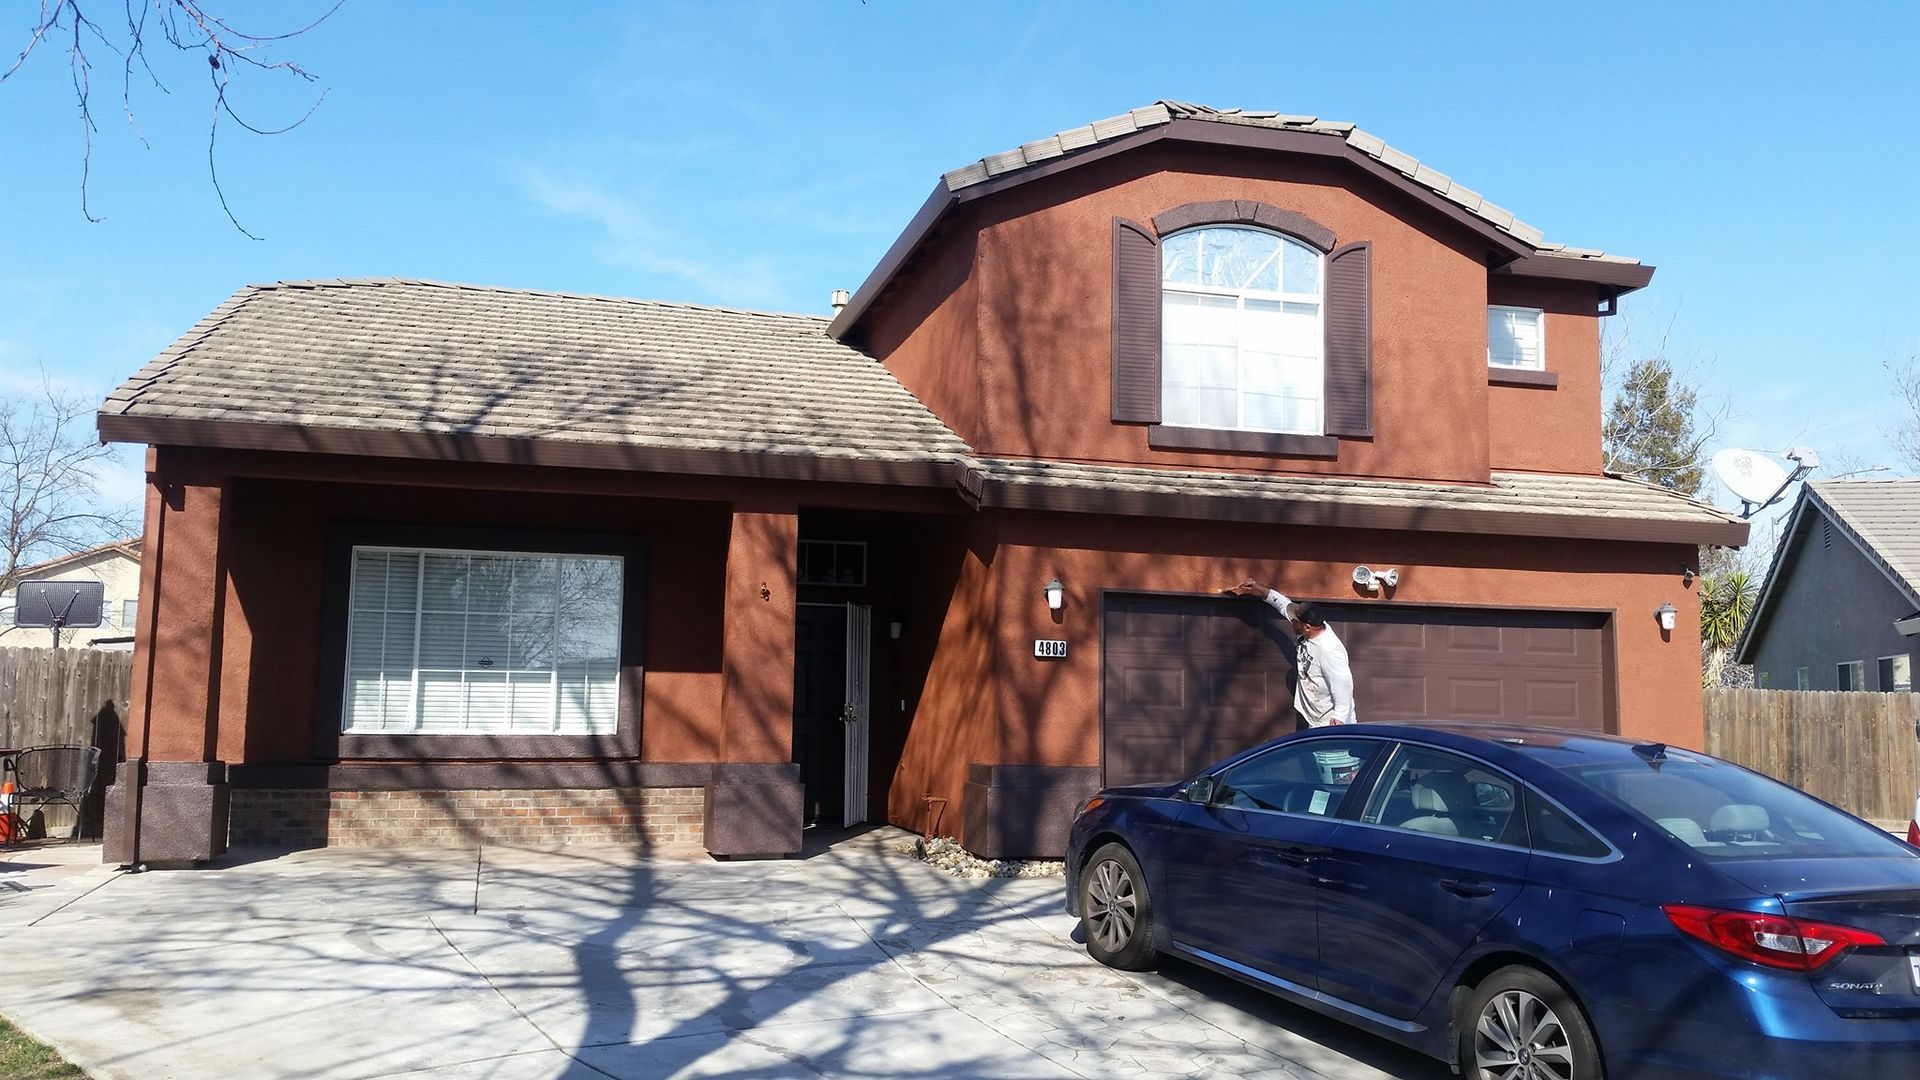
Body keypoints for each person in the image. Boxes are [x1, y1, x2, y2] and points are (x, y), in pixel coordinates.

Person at [1225, 579, 1356, 728]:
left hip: (1331, 724)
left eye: (1294, 621)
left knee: (1328, 753)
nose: (1291, 621)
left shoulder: (1329, 648)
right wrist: (1257, 587)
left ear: (1307, 627)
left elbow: (1343, 683)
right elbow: (1282, 604)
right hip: (1313, 715)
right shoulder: (1311, 627)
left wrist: (1339, 717)